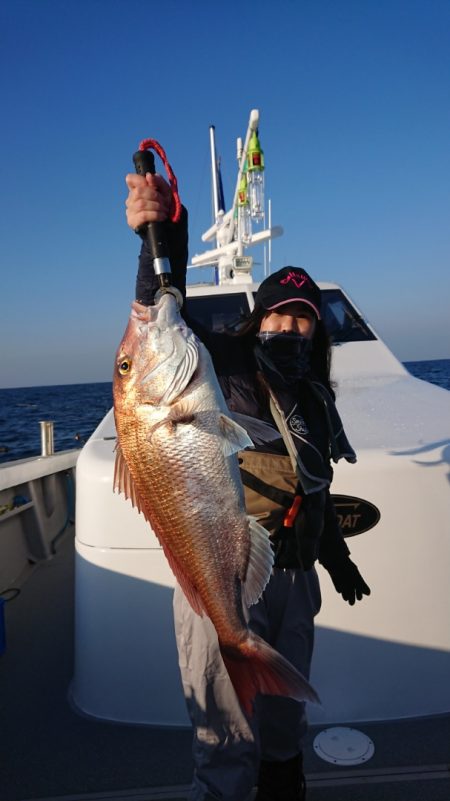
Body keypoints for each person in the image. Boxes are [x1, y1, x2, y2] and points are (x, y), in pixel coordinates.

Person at [125, 172, 371, 801]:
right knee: (226, 737)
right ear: (255, 319)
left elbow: (312, 489)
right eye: (277, 316)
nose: (287, 331)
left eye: (302, 321)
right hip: (220, 575)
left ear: (316, 334)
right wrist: (160, 234)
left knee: (285, 725)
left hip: (295, 576)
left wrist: (336, 558)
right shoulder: (221, 370)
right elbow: (161, 307)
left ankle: (285, 783)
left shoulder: (315, 401)